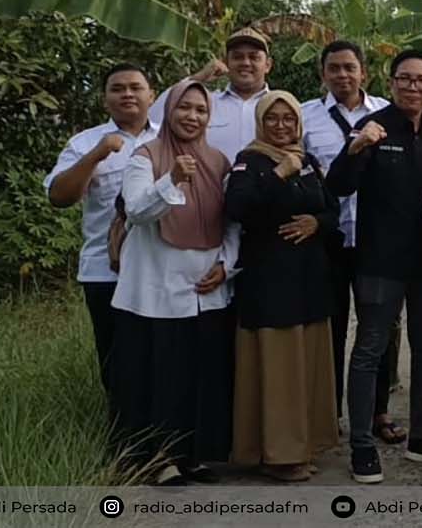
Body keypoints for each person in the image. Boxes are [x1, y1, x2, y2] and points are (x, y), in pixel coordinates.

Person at [327, 50, 422, 483]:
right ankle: (362, 445)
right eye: (405, 79)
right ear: (391, 82)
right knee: (369, 350)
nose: (413, 87)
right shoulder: (373, 127)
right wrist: (357, 147)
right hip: (380, 263)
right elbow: (338, 186)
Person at [110, 81, 238, 486]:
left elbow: (231, 222)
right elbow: (136, 211)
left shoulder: (219, 161)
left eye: (201, 110)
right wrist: (171, 180)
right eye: (185, 108)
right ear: (169, 111)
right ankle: (157, 458)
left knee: (201, 375)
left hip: (206, 287)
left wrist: (226, 265)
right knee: (160, 376)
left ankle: (193, 454)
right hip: (156, 288)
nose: (193, 117)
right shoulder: (144, 157)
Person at [225, 91, 341, 482]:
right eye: (272, 118)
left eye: (288, 119)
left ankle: (307, 443)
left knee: (307, 366)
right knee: (278, 371)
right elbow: (238, 210)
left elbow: (332, 208)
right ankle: (278, 454)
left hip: (309, 280)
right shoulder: (249, 161)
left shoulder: (306, 160)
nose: (280, 126)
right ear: (261, 122)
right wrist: (279, 174)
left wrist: (316, 223)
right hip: (270, 283)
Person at [297, 41, 403, 442]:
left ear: (364, 73)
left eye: (349, 68)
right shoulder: (305, 118)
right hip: (329, 239)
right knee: (332, 327)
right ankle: (330, 413)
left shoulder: (388, 114)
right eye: (334, 68)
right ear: (323, 74)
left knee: (380, 329)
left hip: (377, 239)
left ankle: (379, 412)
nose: (342, 75)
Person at [45, 63, 158, 396]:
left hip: (162, 266)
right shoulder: (86, 143)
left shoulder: (171, 135)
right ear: (105, 99)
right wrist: (97, 155)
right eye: (117, 88)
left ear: (151, 96)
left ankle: (166, 438)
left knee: (162, 358)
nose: (127, 94)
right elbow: (59, 197)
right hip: (106, 271)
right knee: (117, 361)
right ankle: (124, 441)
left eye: (135, 87)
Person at [150, 26, 272, 163]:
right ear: (226, 63)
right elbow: (154, 119)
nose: (245, 63)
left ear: (267, 65)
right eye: (237, 57)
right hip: (208, 183)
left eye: (254, 57)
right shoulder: (205, 104)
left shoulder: (281, 108)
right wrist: (197, 78)